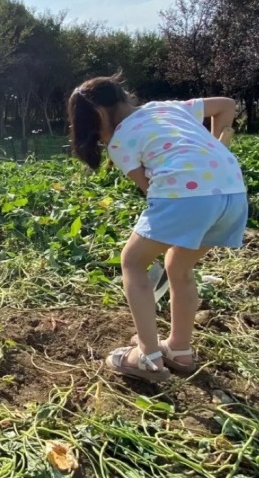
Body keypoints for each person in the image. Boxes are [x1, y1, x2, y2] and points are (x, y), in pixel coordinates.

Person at [68, 76, 247, 384]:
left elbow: (150, 188)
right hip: (233, 193)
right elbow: (227, 106)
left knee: (133, 262)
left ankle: (147, 357)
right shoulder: (167, 108)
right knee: (178, 266)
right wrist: (220, 145)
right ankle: (179, 349)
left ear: (98, 117)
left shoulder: (120, 141)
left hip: (189, 198)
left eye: (94, 129)